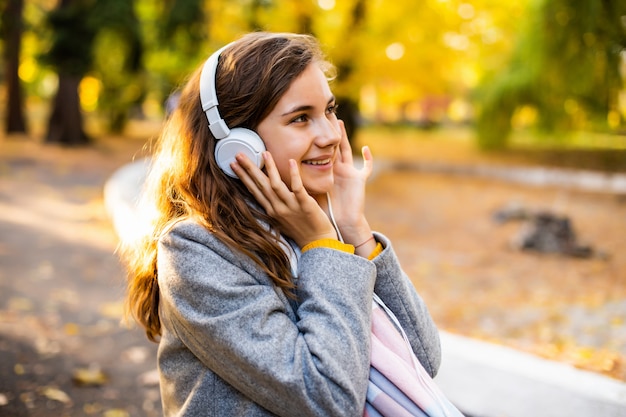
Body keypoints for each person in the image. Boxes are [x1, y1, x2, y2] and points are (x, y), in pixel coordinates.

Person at [121, 31, 442, 416]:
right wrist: (323, 245)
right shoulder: (195, 251)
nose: (329, 136)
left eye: (329, 110)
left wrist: (355, 231)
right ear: (237, 145)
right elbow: (327, 399)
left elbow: (422, 358)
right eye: (301, 118)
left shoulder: (312, 226)